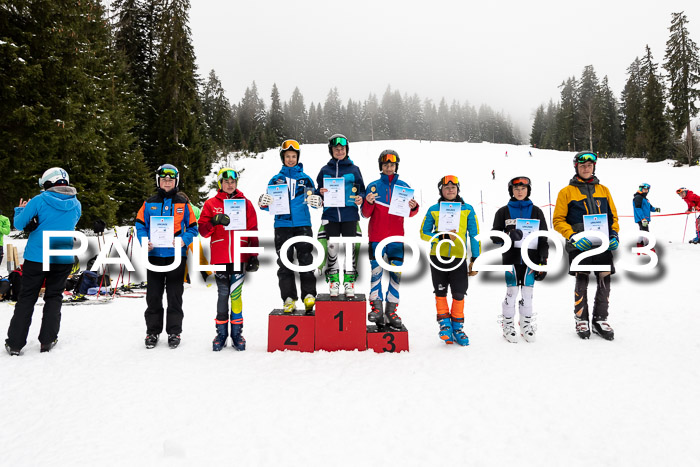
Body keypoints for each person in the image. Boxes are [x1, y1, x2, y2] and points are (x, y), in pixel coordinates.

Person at [5, 167, 81, 355]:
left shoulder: (39, 200)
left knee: (27, 298)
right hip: (62, 257)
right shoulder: (76, 203)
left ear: (48, 182)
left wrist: (21, 209)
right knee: (54, 297)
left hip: (37, 257)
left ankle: (15, 343)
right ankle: (47, 340)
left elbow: (19, 224)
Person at [553, 152, 618, 341]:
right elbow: (558, 220)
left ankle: (600, 319)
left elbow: (613, 217)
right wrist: (572, 236)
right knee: (582, 276)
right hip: (579, 244)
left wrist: (614, 234)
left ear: (594, 167)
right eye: (582, 166)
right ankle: (581, 318)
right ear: (576, 167)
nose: (586, 168)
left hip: (601, 243)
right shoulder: (566, 192)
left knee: (604, 276)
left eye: (589, 165)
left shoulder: (604, 190)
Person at [135, 164, 198, 349]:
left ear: (176, 181)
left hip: (176, 256)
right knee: (153, 295)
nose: (167, 182)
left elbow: (193, 228)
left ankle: (174, 331)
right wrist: (144, 240)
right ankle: (152, 332)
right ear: (158, 181)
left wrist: (183, 241)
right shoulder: (148, 203)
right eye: (164, 179)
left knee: (174, 295)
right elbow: (140, 225)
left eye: (171, 180)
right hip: (154, 255)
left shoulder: (183, 204)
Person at [258, 139, 322, 313]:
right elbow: (268, 204)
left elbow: (316, 201)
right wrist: (263, 203)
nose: (291, 159)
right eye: (288, 156)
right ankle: (288, 298)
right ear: (282, 157)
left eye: (294, 156)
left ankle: (309, 295)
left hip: (303, 224)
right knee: (285, 262)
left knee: (306, 260)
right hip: (282, 225)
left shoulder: (306, 179)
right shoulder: (276, 179)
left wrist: (318, 201)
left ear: (297, 157)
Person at [199, 167, 259, 351]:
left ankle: (237, 333)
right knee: (223, 293)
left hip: (239, 256)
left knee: (236, 294)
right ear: (220, 183)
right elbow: (203, 230)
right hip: (221, 256)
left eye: (233, 182)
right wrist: (214, 221)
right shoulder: (211, 204)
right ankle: (221, 333)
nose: (230, 185)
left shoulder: (245, 203)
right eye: (226, 182)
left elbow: (253, 229)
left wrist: (253, 255)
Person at [362, 150, 419, 328]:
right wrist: (369, 202)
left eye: (392, 165)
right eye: (385, 165)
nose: (389, 168)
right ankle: (376, 308)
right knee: (376, 273)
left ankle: (391, 310)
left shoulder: (403, 186)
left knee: (396, 275)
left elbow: (410, 213)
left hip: (396, 239)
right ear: (381, 166)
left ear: (396, 166)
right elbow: (365, 214)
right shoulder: (372, 187)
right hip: (376, 238)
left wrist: (414, 206)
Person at [420, 175, 480, 346]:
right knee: (440, 291)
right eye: (446, 187)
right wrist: (441, 237)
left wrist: (476, 258)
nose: (450, 190)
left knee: (459, 292)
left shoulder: (467, 209)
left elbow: (474, 235)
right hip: (437, 256)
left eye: (453, 187)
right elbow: (424, 233)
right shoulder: (434, 209)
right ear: (441, 190)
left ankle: (458, 327)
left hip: (459, 257)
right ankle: (444, 324)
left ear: (458, 189)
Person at [491, 176, 549, 343]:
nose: (520, 191)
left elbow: (543, 238)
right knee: (512, 292)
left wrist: (543, 260)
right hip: (511, 258)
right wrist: (507, 236)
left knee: (528, 293)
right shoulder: (503, 211)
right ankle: (507, 324)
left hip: (531, 259)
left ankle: (526, 323)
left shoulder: (537, 211)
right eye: (516, 189)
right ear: (511, 191)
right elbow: (494, 236)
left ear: (528, 190)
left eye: (523, 189)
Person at [316, 134, 365, 297]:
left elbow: (362, 190)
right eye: (336, 149)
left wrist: (361, 198)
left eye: (342, 148)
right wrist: (320, 193)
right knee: (332, 249)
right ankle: (334, 280)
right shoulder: (324, 170)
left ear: (346, 150)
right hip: (331, 215)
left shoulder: (354, 169)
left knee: (350, 249)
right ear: (331, 150)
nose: (339, 151)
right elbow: (317, 192)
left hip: (350, 215)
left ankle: (349, 281)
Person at [633, 183, 660, 251]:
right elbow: (638, 208)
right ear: (641, 189)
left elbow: (650, 207)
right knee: (646, 232)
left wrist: (656, 209)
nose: (646, 191)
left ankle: (639, 245)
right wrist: (643, 218)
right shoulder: (638, 197)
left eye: (647, 190)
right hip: (642, 219)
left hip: (645, 219)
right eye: (644, 189)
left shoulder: (644, 199)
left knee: (642, 231)